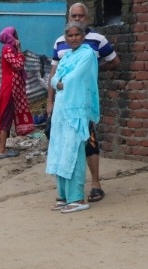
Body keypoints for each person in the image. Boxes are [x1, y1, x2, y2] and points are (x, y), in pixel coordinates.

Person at [48, 3, 119, 203]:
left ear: (87, 18)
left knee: (87, 144)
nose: (77, 19)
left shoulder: (95, 42)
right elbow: (54, 74)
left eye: (81, 16)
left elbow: (114, 61)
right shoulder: (61, 44)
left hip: (81, 103)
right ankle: (66, 194)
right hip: (63, 105)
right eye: (74, 15)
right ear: (68, 18)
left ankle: (95, 185)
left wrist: (92, 71)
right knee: (63, 146)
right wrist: (50, 100)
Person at [45, 22, 99, 214]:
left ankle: (77, 198)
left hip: (76, 110)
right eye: (70, 35)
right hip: (61, 111)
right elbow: (53, 78)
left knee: (74, 152)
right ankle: (63, 197)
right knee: (60, 150)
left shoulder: (88, 55)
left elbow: (73, 78)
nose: (74, 38)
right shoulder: (66, 57)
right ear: (65, 38)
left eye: (77, 35)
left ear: (83, 36)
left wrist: (60, 82)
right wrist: (59, 82)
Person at [0, 27, 34, 158]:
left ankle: (0, 147)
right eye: (14, 34)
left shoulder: (8, 49)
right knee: (6, 117)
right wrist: (19, 50)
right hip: (10, 88)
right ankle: (2, 149)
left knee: (5, 116)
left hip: (9, 87)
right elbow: (18, 65)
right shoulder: (8, 49)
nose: (17, 36)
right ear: (9, 36)